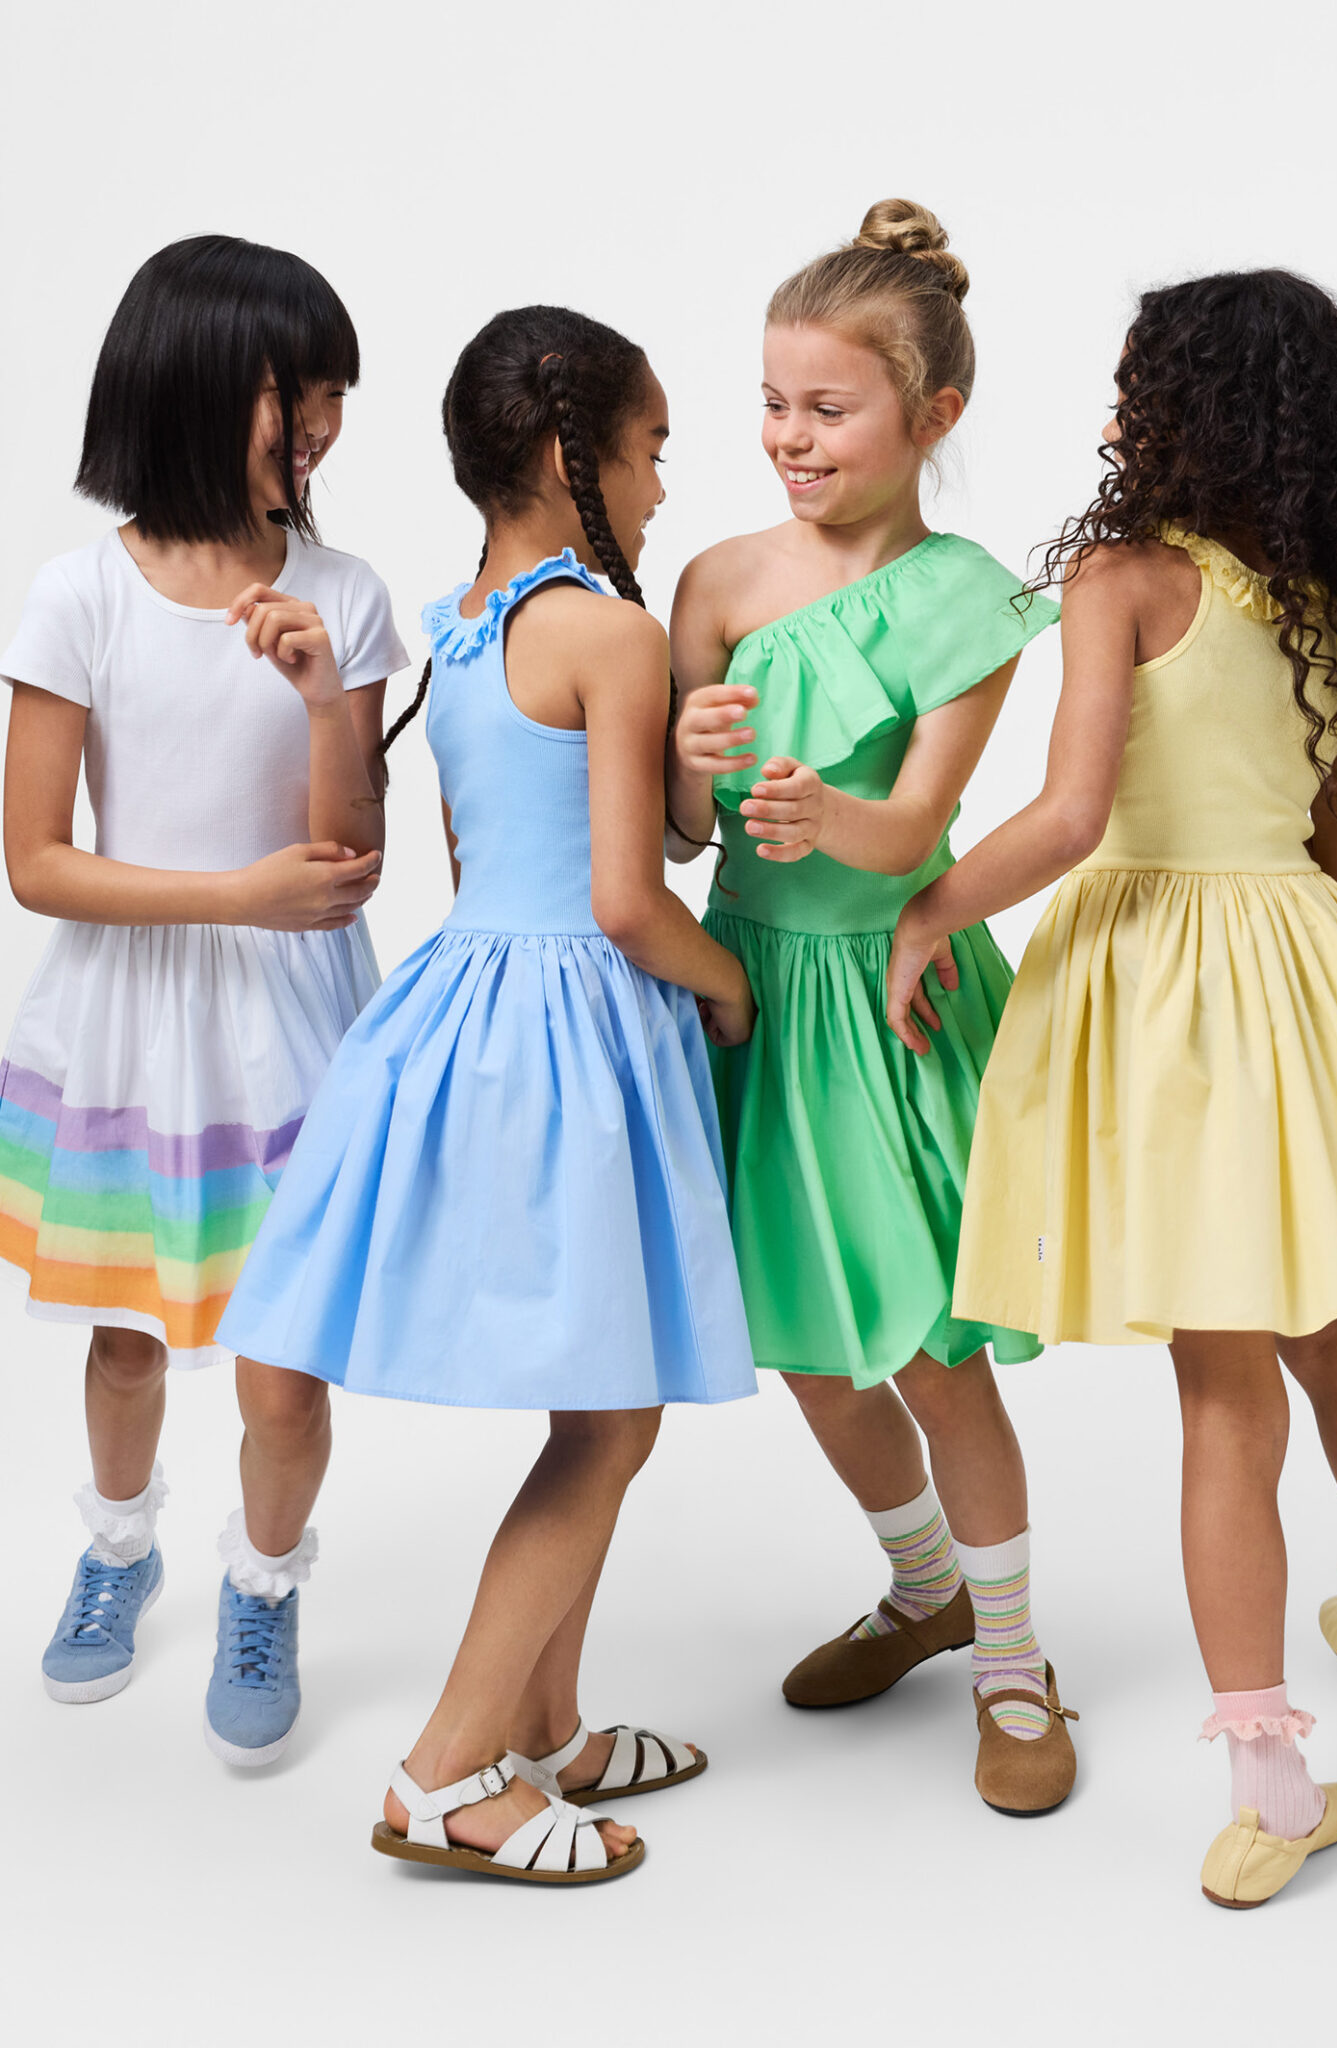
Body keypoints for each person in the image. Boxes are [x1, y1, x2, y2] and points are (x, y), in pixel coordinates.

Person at [888, 269, 1337, 1905]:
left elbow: (1070, 819)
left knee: (1220, 1386)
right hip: (1298, 972)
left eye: (1140, 384)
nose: (1120, 410)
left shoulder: (1121, 580)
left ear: (1190, 409)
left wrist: (930, 911)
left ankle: (1272, 1784)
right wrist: (1277, 974)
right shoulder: (1333, 595)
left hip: (1162, 994)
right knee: (1328, 1324)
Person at [219, 306, 757, 1883]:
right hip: (584, 1020)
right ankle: (449, 1772)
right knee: (612, 1418)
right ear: (571, 457)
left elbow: (482, 865)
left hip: (478, 1011)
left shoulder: (460, 628)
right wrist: (730, 988)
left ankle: (551, 1728)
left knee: (598, 1393)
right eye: (650, 451)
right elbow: (628, 900)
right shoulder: (608, 632)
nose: (661, 485)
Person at [667, 201, 1076, 1815]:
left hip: (883, 999)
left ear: (933, 415)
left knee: (928, 1346)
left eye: (829, 408)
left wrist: (822, 814)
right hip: (753, 994)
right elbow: (680, 837)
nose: (790, 436)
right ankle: (926, 1589)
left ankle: (1015, 1662)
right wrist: (690, 768)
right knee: (809, 1344)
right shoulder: (715, 580)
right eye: (773, 402)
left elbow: (912, 833)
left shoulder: (965, 598)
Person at [0, 235, 408, 1762]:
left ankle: (265, 1581)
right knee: (126, 1337)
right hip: (129, 1027)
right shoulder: (78, 597)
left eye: (337, 394)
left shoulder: (345, 594)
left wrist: (320, 696)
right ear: (186, 384)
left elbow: (351, 858)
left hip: (291, 1031)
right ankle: (120, 1550)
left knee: (283, 1368)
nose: (321, 424)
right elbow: (37, 862)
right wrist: (234, 895)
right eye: (294, 392)